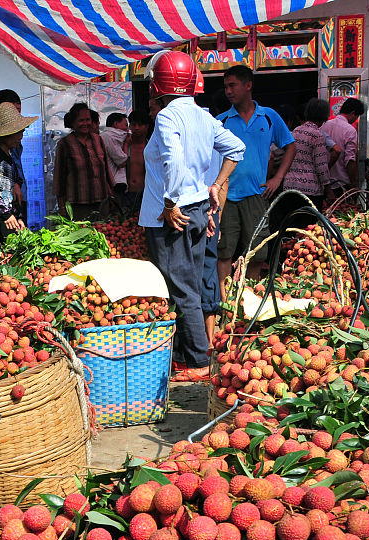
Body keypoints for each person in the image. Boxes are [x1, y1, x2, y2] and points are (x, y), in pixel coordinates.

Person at [141, 50, 244, 383]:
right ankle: (188, 355)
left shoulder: (168, 116)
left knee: (181, 288)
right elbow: (236, 149)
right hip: (198, 209)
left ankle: (198, 362)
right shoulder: (203, 116)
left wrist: (171, 202)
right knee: (192, 285)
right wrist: (215, 184)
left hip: (175, 215)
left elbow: (173, 162)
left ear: (159, 83)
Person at [215, 64, 295, 282]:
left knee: (258, 253)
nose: (228, 91)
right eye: (226, 87)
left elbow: (290, 146)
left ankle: (247, 297)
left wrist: (277, 178)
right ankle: (224, 303)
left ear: (248, 85)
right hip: (225, 197)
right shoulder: (220, 121)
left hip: (256, 196)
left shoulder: (268, 117)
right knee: (223, 251)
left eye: (233, 85)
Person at [0, 104, 39, 239]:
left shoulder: (10, 155)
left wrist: (17, 216)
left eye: (22, 131)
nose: (21, 136)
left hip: (7, 218)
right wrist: (6, 214)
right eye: (18, 132)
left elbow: (10, 194)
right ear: (7, 133)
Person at [280, 98, 333, 228]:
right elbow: (321, 166)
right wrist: (329, 190)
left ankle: (285, 248)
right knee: (306, 229)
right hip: (310, 191)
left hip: (289, 187)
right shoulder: (317, 135)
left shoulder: (295, 131)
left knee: (290, 227)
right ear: (324, 116)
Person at [53, 102, 111, 220]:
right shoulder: (64, 144)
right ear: (73, 123)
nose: (85, 123)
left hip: (101, 203)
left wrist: (111, 195)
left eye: (88, 120)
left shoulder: (98, 140)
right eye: (81, 120)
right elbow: (59, 177)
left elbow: (106, 170)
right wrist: (62, 206)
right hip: (77, 206)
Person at [321, 97, 364, 196]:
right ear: (353, 113)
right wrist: (353, 184)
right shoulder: (350, 130)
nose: (355, 120)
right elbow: (350, 160)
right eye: (356, 116)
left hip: (324, 183)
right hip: (341, 184)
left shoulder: (324, 125)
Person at [126, 112, 151, 210]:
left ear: (147, 126)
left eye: (140, 125)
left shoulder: (151, 147)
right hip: (125, 194)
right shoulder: (124, 146)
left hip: (145, 194)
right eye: (133, 125)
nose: (136, 128)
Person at [101, 112, 130, 197]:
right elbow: (121, 162)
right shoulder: (109, 137)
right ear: (116, 124)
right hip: (113, 184)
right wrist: (126, 144)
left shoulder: (108, 136)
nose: (127, 129)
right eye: (125, 125)